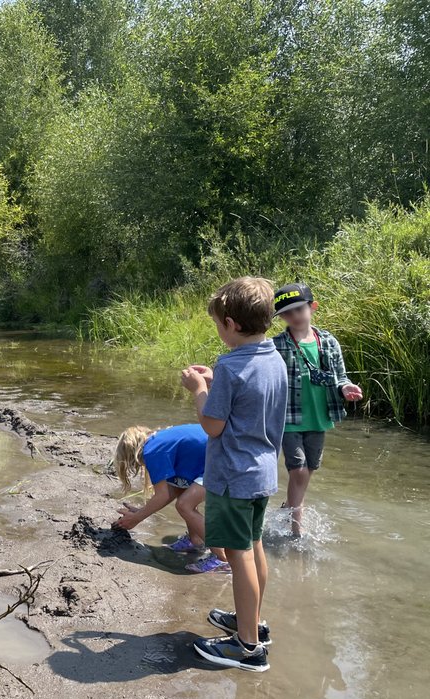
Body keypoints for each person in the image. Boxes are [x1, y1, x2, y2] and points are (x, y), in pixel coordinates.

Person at [180, 277, 288, 672]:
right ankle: (252, 623)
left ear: (231, 324)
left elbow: (212, 425)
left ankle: (247, 647)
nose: (218, 330)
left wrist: (198, 389)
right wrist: (215, 384)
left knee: (238, 554)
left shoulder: (230, 365)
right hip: (262, 473)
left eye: (217, 324)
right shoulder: (275, 356)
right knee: (253, 545)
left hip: (232, 476)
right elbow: (248, 401)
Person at [272, 283, 363, 537]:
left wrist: (346, 388)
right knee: (298, 470)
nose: (294, 316)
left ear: (313, 307)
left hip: (320, 417)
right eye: (287, 313)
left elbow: (340, 377)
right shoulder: (276, 344)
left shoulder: (329, 342)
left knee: (307, 471)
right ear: (281, 317)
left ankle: (288, 509)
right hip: (289, 418)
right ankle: (296, 532)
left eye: (299, 309)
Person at [111, 423, 229, 573]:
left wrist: (136, 519)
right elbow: (172, 491)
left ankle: (222, 557)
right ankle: (195, 540)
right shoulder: (158, 441)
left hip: (227, 461)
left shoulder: (152, 450)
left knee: (184, 505)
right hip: (223, 454)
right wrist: (141, 511)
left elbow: (163, 495)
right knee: (183, 493)